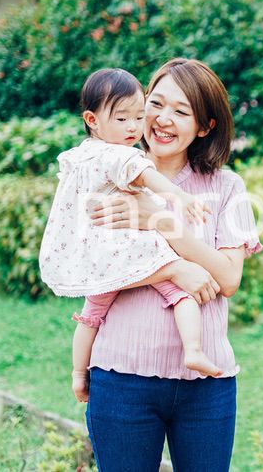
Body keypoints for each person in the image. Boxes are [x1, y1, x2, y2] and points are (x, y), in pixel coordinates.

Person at [82, 58, 262, 471]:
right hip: (122, 378)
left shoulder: (226, 187)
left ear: (205, 127)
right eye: (156, 104)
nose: (163, 120)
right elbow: (91, 267)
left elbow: (228, 278)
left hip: (207, 387)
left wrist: (159, 221)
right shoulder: (108, 177)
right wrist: (174, 270)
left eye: (181, 111)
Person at [39, 68, 224, 393]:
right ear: (92, 120)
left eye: (138, 117)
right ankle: (194, 350)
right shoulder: (120, 155)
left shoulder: (78, 156)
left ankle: (78, 374)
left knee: (91, 315)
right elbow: (147, 177)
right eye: (123, 119)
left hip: (99, 254)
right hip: (131, 249)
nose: (133, 127)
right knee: (180, 292)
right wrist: (179, 196)